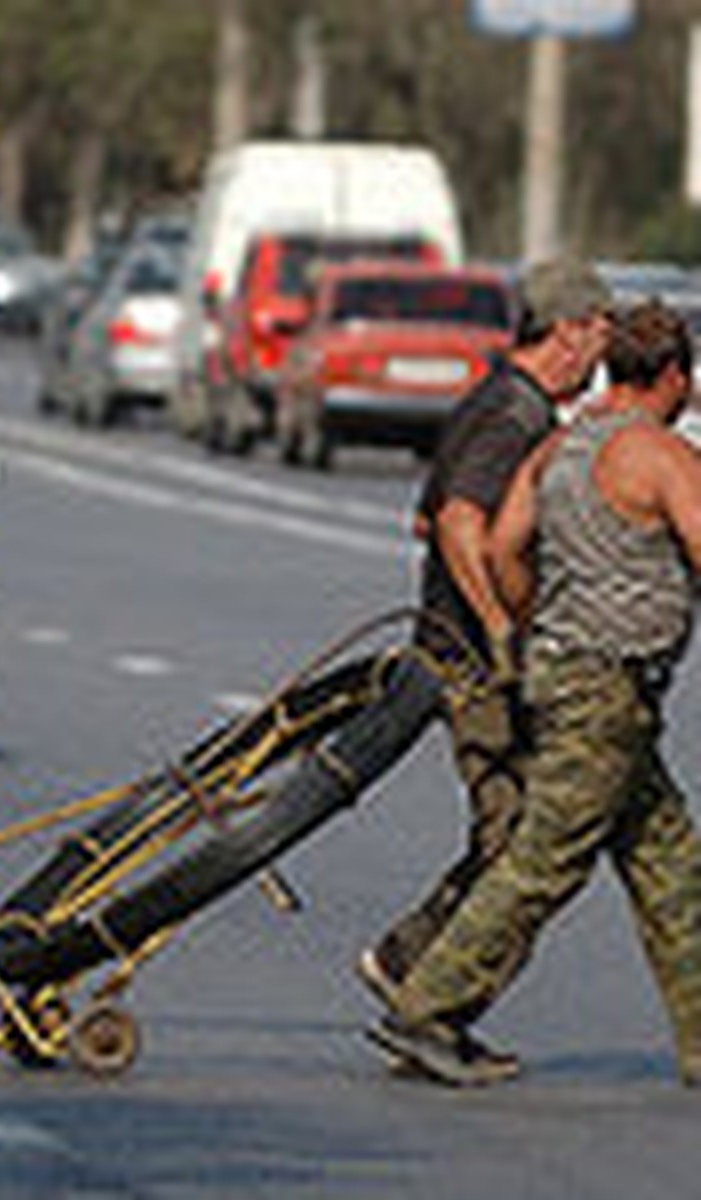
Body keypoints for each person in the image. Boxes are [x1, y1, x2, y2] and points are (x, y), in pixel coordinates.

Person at [369, 299, 701, 1087]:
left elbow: (505, 543)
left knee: (667, 857)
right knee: (547, 859)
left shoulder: (558, 448)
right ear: (674, 378)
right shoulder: (659, 455)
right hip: (607, 687)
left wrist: (534, 616)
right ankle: (428, 1010)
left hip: (566, 672)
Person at [356, 258, 613, 1073]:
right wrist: (502, 627)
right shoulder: (514, 413)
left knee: (520, 835)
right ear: (570, 332)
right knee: (523, 844)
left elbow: (424, 519)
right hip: (475, 666)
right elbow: (461, 520)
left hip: (456, 650)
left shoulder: (503, 399)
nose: (597, 354)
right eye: (596, 336)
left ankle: (415, 976)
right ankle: (425, 1001)